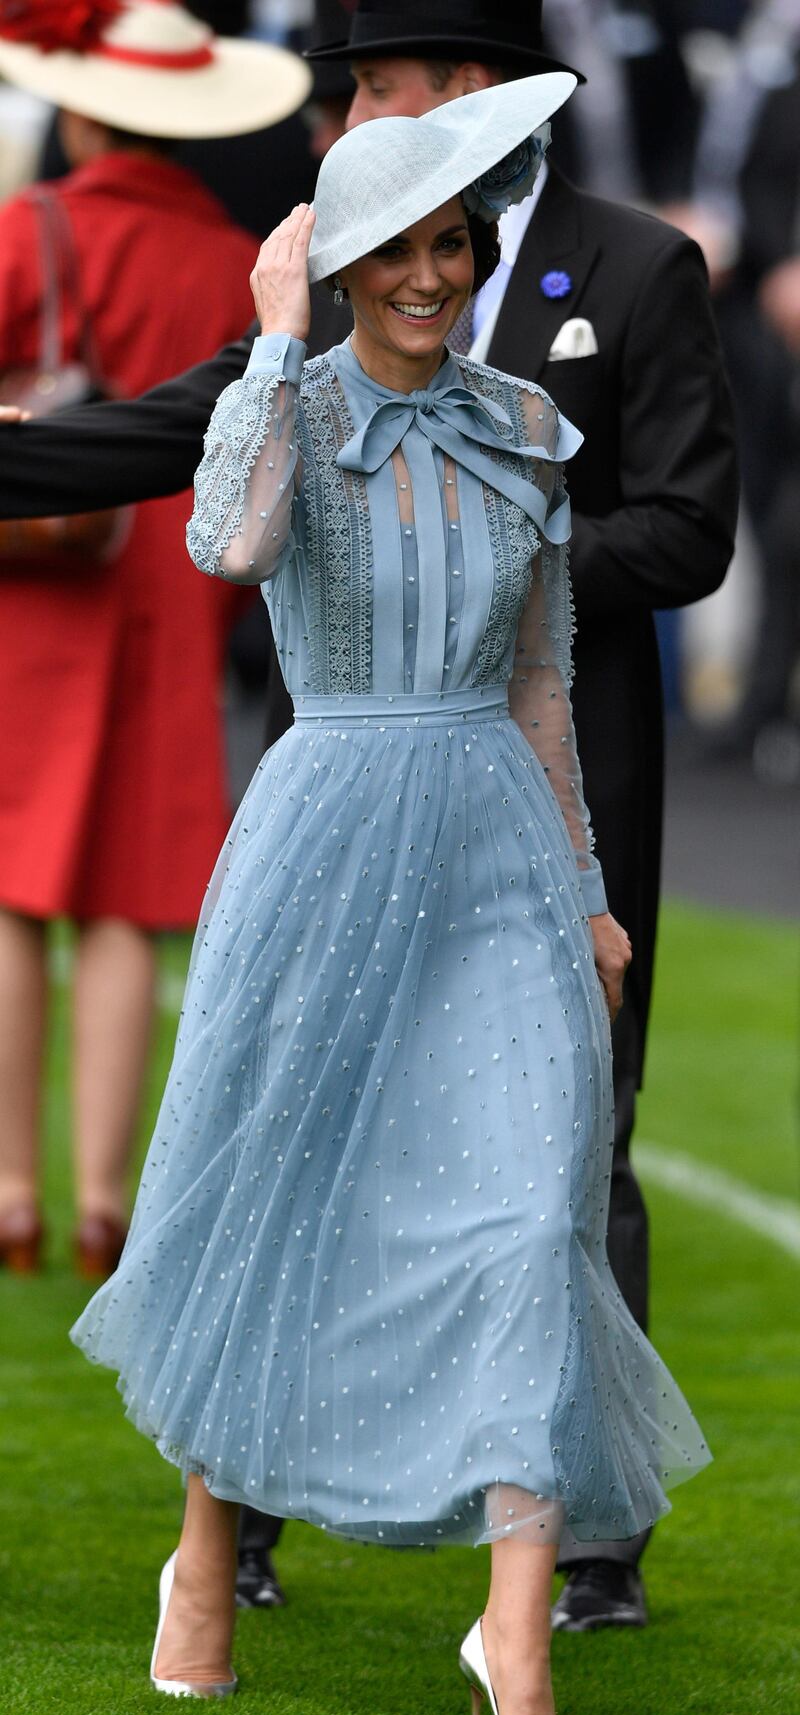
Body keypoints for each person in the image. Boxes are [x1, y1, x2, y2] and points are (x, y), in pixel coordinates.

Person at [0, 0, 737, 1629]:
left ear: (457, 92)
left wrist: (482, 556)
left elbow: (686, 531)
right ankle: (237, 1527)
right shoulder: (317, 310)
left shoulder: (633, 268)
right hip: (339, 795)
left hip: (534, 787)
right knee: (296, 1139)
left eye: (377, 86)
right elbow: (198, 450)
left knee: (560, 1155)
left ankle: (578, 1554)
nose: (350, 113)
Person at [0, 0, 310, 1278]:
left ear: (80, 107)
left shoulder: (30, 227)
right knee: (132, 894)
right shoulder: (238, 256)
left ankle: (8, 1185)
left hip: (36, 588)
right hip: (182, 588)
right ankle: (100, 1195)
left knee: (15, 888)